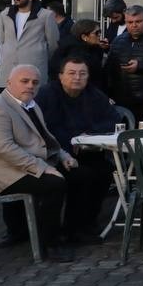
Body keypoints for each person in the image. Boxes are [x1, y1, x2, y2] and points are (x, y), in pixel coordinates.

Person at [0, 65, 76, 262]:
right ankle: (50, 243)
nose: (30, 86)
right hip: (4, 174)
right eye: (25, 81)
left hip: (24, 166)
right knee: (55, 184)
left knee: (83, 173)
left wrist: (63, 156)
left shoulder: (30, 105)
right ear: (9, 83)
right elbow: (5, 150)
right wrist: (43, 168)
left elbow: (46, 139)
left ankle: (73, 230)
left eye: (35, 83)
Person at [35, 54, 118, 241]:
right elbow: (44, 129)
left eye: (82, 73)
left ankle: (87, 223)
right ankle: (72, 228)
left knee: (105, 171)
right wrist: (71, 142)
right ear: (61, 75)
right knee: (81, 175)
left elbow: (112, 119)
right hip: (54, 154)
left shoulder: (93, 94)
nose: (77, 78)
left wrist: (87, 135)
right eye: (71, 73)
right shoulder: (47, 94)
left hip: (88, 150)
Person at [0, 0, 61, 90]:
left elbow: (53, 44)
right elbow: (2, 40)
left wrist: (42, 58)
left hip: (34, 68)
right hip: (8, 69)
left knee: (34, 104)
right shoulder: (5, 14)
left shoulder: (46, 15)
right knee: (9, 104)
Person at [49, 19, 109, 94]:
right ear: (84, 37)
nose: (99, 35)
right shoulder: (75, 53)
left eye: (100, 32)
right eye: (96, 33)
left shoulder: (92, 48)